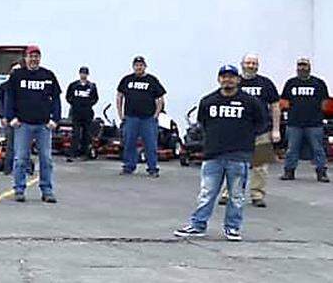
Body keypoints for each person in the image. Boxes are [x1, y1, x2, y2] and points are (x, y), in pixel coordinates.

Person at [174, 65, 267, 242]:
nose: (227, 80)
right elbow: (203, 123)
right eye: (224, 77)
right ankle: (197, 225)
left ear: (238, 80)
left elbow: (261, 124)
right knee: (206, 193)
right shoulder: (208, 101)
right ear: (219, 79)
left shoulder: (250, 102)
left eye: (231, 77)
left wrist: (244, 138)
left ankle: (232, 228)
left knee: (237, 196)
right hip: (213, 156)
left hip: (239, 157)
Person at [218, 54, 281, 207]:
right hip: (237, 132)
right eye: (248, 63)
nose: (251, 66)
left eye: (254, 63)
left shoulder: (266, 84)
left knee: (259, 166)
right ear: (242, 64)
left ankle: (257, 195)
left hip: (261, 131)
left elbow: (275, 107)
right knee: (233, 163)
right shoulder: (233, 82)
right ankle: (228, 193)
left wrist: (276, 129)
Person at [3, 45, 62, 203]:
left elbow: (56, 99)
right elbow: (9, 98)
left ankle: (47, 190)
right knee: (21, 158)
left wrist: (55, 119)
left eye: (37, 56)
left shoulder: (48, 76)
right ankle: (19, 189)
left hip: (44, 125)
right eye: (31, 56)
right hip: (23, 124)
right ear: (26, 58)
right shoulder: (17, 76)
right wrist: (11, 117)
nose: (34, 59)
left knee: (46, 159)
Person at [280, 57, 331, 183]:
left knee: (318, 148)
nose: (302, 68)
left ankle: (321, 172)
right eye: (300, 65)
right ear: (297, 67)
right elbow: (285, 101)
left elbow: (325, 102)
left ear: (309, 67)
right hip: (294, 123)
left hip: (314, 123)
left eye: (305, 65)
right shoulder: (290, 83)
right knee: (291, 149)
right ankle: (289, 171)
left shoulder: (318, 83)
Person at [116, 56, 167, 177]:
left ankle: (152, 168)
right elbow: (119, 96)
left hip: (148, 119)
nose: (139, 67)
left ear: (145, 66)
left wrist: (156, 114)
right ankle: (128, 167)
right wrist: (120, 113)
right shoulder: (126, 80)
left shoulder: (152, 80)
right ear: (133, 67)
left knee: (150, 144)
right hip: (131, 117)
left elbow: (160, 98)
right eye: (137, 65)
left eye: (141, 65)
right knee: (129, 143)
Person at [0, 62, 23, 175]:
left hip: (23, 120)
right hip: (9, 120)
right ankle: (8, 168)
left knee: (24, 146)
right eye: (14, 70)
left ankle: (25, 169)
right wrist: (2, 116)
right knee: (10, 145)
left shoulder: (24, 85)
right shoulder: (4, 86)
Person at [65, 66, 99, 162]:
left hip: (87, 113)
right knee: (75, 133)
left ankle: (85, 153)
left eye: (85, 73)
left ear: (87, 74)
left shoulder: (91, 86)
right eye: (82, 73)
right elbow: (68, 97)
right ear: (79, 74)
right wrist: (75, 104)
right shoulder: (73, 85)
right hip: (76, 112)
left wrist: (88, 104)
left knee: (86, 133)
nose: (83, 75)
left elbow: (95, 98)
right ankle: (73, 153)